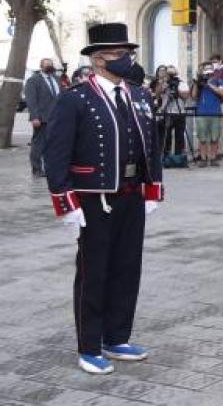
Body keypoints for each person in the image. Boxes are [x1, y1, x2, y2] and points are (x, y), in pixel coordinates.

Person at [43, 23, 163, 375]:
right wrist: (65, 203)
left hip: (132, 194)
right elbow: (56, 154)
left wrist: (153, 187)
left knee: (127, 268)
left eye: (129, 54)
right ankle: (89, 346)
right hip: (94, 199)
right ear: (98, 59)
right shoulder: (75, 98)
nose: (127, 60)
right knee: (94, 272)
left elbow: (152, 146)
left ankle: (116, 337)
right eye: (120, 54)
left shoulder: (139, 96)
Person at [24, 57, 61, 177]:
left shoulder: (57, 79)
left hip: (57, 118)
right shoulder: (33, 80)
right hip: (42, 118)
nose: (49, 66)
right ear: (41, 66)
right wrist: (34, 117)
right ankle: (37, 169)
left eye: (50, 64)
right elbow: (31, 100)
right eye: (46, 64)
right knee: (38, 145)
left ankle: (50, 167)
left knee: (53, 144)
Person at [193, 61, 223, 167]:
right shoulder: (200, 82)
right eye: (205, 68)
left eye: (209, 68)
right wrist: (197, 83)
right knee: (202, 137)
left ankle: (213, 158)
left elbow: (222, 92)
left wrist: (209, 84)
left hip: (215, 112)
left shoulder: (218, 80)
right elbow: (193, 96)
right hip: (201, 112)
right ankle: (203, 158)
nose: (208, 71)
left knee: (215, 137)